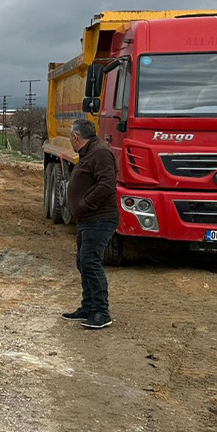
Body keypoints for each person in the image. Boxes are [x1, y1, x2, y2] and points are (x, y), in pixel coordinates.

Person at [61, 118, 119, 329]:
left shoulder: (100, 153)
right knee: (83, 261)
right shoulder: (89, 154)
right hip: (87, 220)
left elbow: (107, 184)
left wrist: (84, 205)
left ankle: (101, 312)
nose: (70, 141)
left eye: (71, 138)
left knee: (90, 262)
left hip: (99, 219)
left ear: (76, 137)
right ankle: (88, 306)